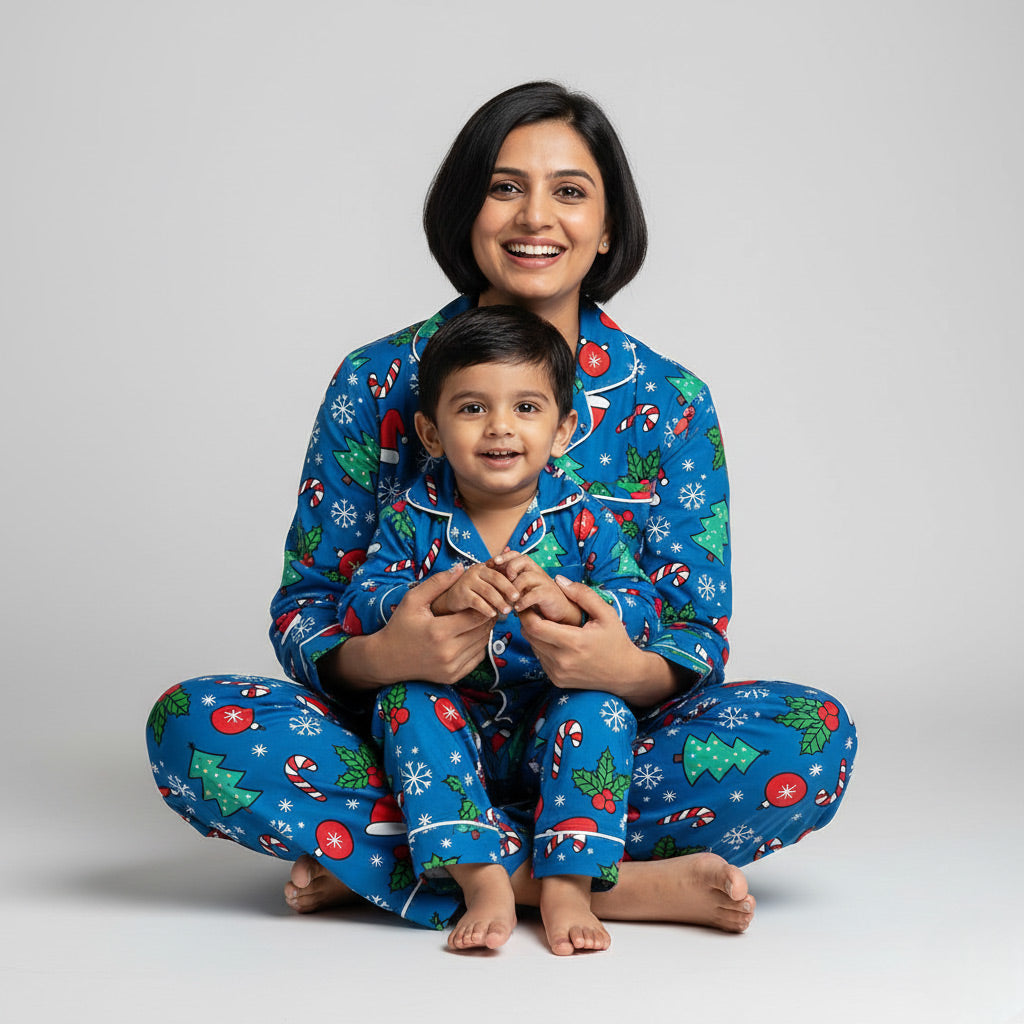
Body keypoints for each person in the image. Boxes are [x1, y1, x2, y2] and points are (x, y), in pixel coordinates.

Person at [146, 81, 856, 953]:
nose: (535, 217)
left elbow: (696, 630)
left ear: (608, 226)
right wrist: (385, 656)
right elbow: (307, 603)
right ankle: (587, 884)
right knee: (192, 725)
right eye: (505, 186)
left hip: (601, 753)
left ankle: (407, 863)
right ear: (466, 211)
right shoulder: (376, 380)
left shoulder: (672, 401)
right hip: (408, 741)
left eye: (570, 191)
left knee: (810, 737)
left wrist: (626, 669)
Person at [340, 303, 686, 953]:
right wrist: (432, 600)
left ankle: (567, 884)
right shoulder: (412, 518)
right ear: (431, 432)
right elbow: (359, 603)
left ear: (563, 430)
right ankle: (482, 879)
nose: (500, 426)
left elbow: (639, 602)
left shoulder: (581, 519)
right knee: (406, 700)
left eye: (526, 408)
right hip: (447, 730)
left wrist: (571, 606)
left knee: (599, 709)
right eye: (473, 408)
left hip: (547, 728)